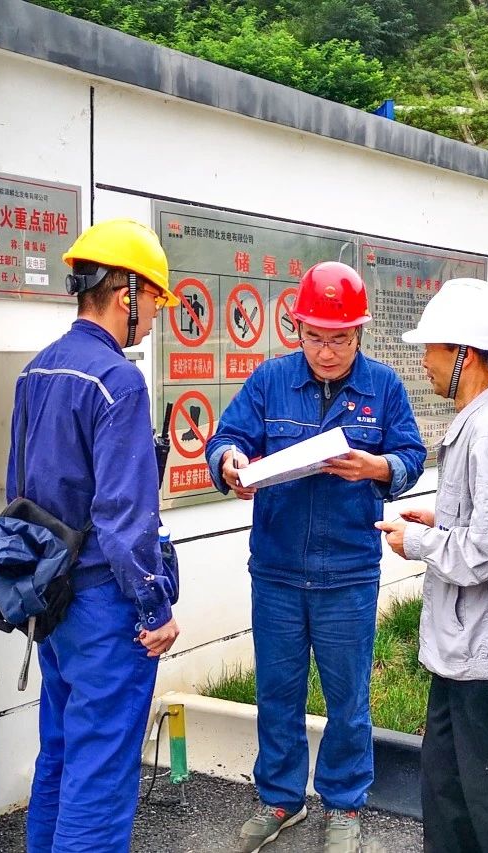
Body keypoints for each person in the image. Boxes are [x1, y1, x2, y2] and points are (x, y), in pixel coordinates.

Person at [205, 261, 426, 853]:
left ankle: (344, 803)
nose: (326, 352)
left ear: (360, 334)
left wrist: (377, 467)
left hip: (348, 572)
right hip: (277, 569)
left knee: (348, 699)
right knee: (277, 693)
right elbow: (227, 439)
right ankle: (280, 798)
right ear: (297, 329)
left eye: (340, 339)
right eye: (314, 337)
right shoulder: (271, 380)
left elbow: (411, 456)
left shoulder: (383, 387)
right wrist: (230, 464)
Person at [17, 218, 182, 852]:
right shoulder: (119, 380)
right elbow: (124, 519)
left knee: (60, 755)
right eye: (156, 300)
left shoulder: (36, 371)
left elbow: (21, 496)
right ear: (126, 293)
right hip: (106, 608)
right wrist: (155, 609)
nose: (156, 316)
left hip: (52, 602)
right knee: (103, 774)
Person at [376, 278, 488, 853]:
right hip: (464, 649)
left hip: (483, 649)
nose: (423, 361)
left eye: (433, 348)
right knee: (449, 792)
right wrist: (442, 520)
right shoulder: (486, 419)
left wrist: (421, 543)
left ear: (465, 355)